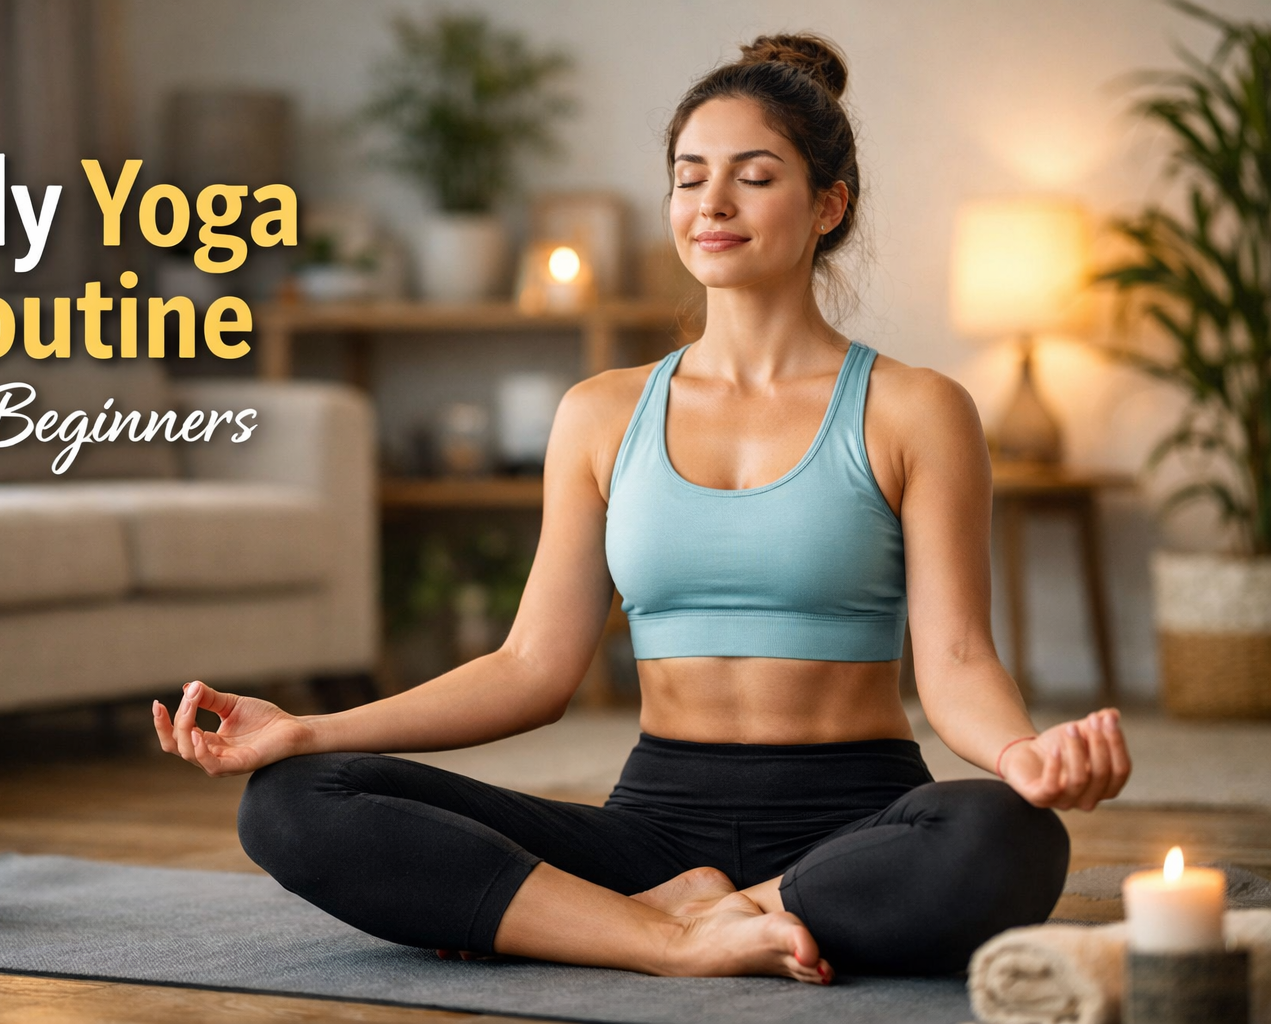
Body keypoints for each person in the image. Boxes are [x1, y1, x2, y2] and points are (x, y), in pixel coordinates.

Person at [154, 32, 1131, 982]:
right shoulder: (602, 413)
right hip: (649, 830)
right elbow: (531, 668)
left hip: (856, 820)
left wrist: (1022, 753)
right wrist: (307, 730)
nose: (712, 200)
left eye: (753, 175)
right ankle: (668, 934)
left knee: (1006, 833)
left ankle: (699, 915)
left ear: (828, 204)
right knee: (290, 802)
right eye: (688, 173)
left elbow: (956, 659)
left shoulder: (917, 408)